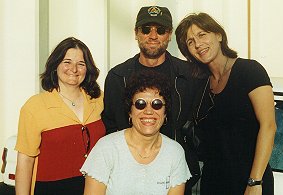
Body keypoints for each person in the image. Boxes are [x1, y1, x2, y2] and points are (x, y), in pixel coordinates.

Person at [101, 6, 200, 193]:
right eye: (146, 29)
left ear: (169, 35)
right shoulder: (117, 77)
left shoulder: (189, 75)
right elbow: (111, 127)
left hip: (176, 173)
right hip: (127, 175)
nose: (153, 35)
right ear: (136, 33)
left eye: (160, 30)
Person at [175, 12, 277, 195]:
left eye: (202, 34)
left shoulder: (249, 70)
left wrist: (255, 182)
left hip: (251, 180)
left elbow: (268, 126)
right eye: (190, 42)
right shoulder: (201, 84)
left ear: (219, 35)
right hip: (213, 182)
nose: (198, 44)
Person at [15, 37, 106, 195]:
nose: (74, 69)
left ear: (88, 69)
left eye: (81, 64)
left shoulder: (99, 99)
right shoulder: (34, 106)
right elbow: (25, 161)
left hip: (95, 187)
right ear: (55, 65)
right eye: (67, 62)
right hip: (51, 189)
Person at [81, 70, 192, 195]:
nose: (149, 111)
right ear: (130, 111)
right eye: (140, 104)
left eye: (157, 104)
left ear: (165, 112)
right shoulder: (106, 148)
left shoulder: (175, 152)